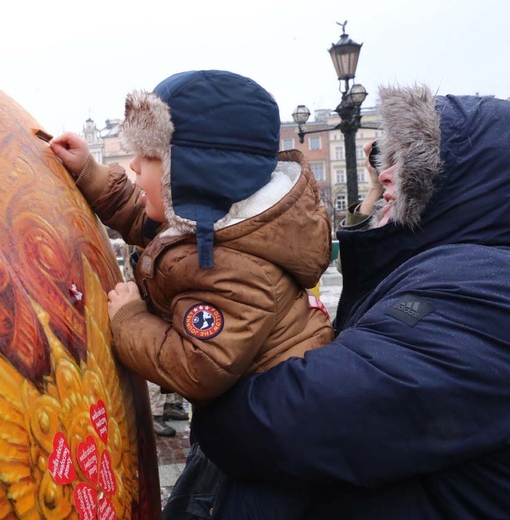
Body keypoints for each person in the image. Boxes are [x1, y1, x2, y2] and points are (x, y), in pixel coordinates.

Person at [192, 85, 510, 519]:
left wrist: (210, 398)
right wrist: (376, 230)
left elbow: (297, 420)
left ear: (474, 185)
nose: (383, 175)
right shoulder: (447, 267)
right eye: (387, 159)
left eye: (406, 162)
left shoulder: (484, 286)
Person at [50, 70, 334, 519]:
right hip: (246, 429)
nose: (135, 168)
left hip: (270, 454)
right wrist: (89, 172)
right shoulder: (210, 223)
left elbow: (197, 366)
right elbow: (139, 215)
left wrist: (127, 318)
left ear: (197, 170)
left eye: (149, 157)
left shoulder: (234, 263)